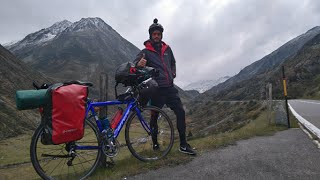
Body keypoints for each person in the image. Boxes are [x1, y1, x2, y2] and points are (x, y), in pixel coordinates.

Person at [134, 18, 196, 155]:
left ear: (161, 35)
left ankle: (184, 145)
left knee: (180, 112)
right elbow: (135, 64)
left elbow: (173, 62)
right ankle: (155, 145)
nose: (156, 36)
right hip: (156, 90)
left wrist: (173, 73)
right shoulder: (146, 52)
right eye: (154, 34)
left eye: (158, 34)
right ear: (150, 35)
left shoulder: (167, 49)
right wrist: (139, 65)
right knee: (154, 117)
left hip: (170, 88)